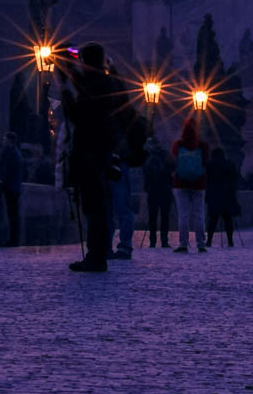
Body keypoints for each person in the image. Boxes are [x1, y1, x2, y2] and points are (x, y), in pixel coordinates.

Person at [60, 43, 123, 273]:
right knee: (98, 205)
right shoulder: (105, 81)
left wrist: (65, 90)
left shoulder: (98, 85)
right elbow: (86, 86)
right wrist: (69, 70)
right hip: (100, 150)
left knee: (94, 206)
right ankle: (98, 253)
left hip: (90, 151)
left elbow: (77, 114)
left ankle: (96, 256)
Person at [110, 86, 146, 260]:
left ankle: (122, 245)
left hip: (117, 161)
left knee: (118, 206)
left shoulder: (121, 116)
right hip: (119, 162)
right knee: (119, 206)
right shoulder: (129, 114)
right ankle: (122, 246)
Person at [170, 119, 209, 252]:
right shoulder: (203, 145)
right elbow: (205, 163)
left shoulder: (178, 145)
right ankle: (201, 244)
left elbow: (173, 160)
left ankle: (183, 243)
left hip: (180, 183)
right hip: (199, 183)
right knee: (199, 214)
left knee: (183, 215)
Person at [205, 145, 240, 248]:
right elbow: (235, 177)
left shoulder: (210, 165)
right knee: (228, 219)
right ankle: (230, 241)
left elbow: (207, 180)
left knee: (212, 219)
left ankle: (209, 241)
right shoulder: (229, 164)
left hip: (214, 193)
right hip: (227, 194)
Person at [143, 136, 174, 248]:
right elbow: (172, 168)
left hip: (153, 190)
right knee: (165, 216)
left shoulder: (149, 157)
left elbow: (146, 173)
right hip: (165, 188)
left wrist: (146, 187)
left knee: (153, 217)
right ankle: (164, 241)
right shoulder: (166, 154)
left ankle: (152, 242)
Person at [0, 138, 25, 247]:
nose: (3, 142)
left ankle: (13, 240)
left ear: (10, 141)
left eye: (5, 140)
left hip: (11, 188)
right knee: (13, 215)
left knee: (12, 215)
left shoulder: (11, 153)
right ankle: (14, 240)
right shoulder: (16, 153)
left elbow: (7, 171)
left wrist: (3, 184)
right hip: (14, 188)